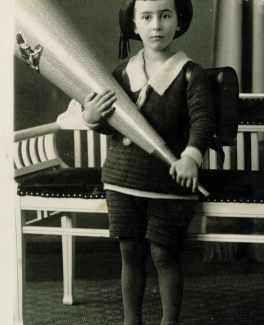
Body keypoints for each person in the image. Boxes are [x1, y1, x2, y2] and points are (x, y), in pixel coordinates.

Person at [82, 1, 215, 324]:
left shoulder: (190, 73)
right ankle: (132, 321)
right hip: (122, 178)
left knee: (163, 254)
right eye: (147, 17)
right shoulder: (120, 73)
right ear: (134, 24)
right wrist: (92, 118)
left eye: (165, 16)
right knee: (130, 252)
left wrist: (191, 157)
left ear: (179, 21)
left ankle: (170, 321)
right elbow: (108, 122)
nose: (156, 25)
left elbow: (203, 120)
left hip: (168, 182)